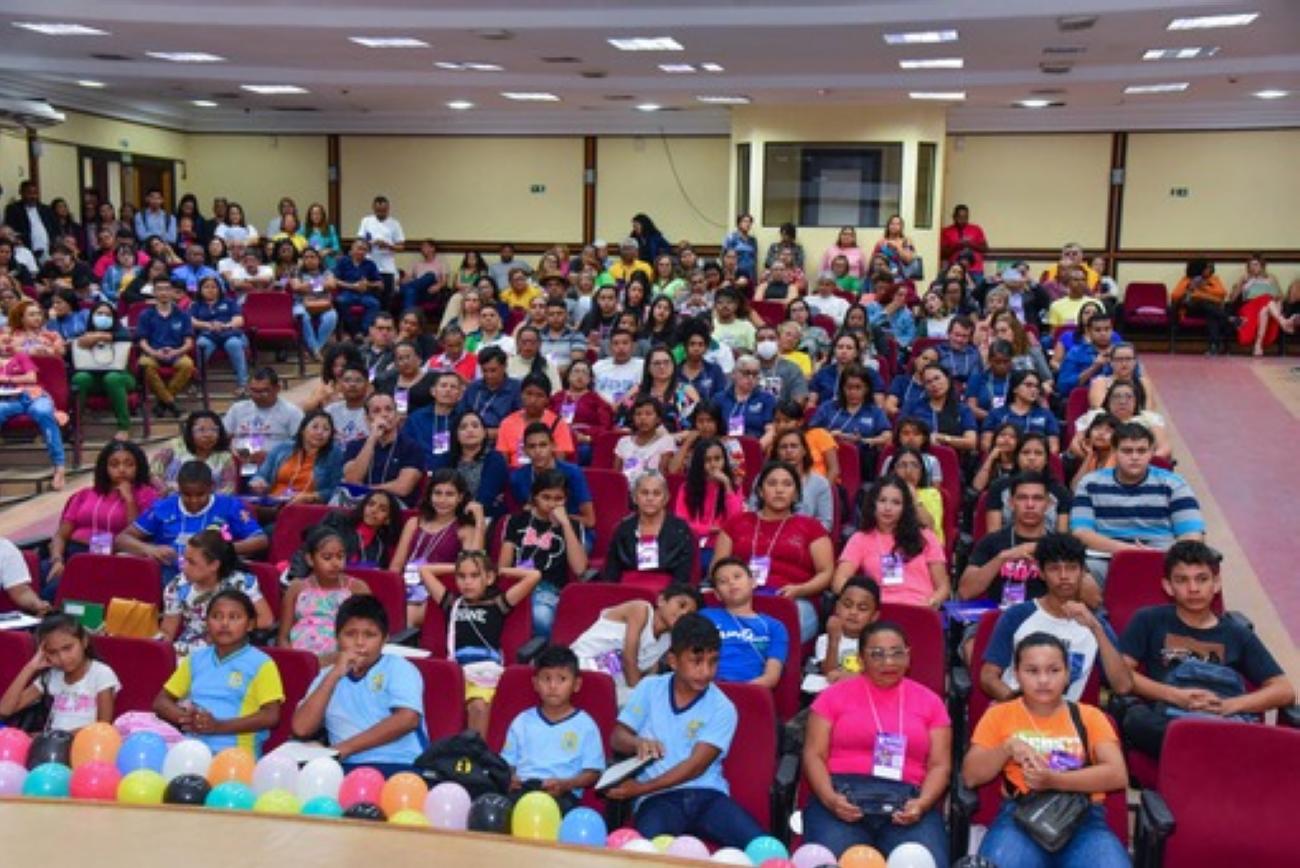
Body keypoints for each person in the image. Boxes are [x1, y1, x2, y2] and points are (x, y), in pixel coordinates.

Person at [964, 632, 1130, 867]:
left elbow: (1117, 774)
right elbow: (970, 776)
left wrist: (1053, 780)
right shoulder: (999, 715)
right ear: (1017, 674)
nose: (1043, 680)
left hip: (1083, 819)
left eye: (1054, 670)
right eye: (1032, 671)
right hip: (1019, 817)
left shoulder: (1090, 716)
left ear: (1067, 674)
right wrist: (1006, 748)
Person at [1119, 541, 1295, 758]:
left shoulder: (1237, 634)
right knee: (1136, 719)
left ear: (1216, 583)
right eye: (1182, 580)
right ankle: (1208, 750)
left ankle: (1207, 749)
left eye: (1202, 579)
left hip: (1222, 721)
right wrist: (1175, 696)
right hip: (1169, 721)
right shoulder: (1148, 620)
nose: (1193, 588)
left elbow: (1284, 690)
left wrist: (1229, 706)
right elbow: (1120, 676)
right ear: (1168, 586)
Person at [607, 614, 764, 846]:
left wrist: (640, 788)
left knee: (762, 846)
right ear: (673, 660)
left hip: (708, 795)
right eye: (696, 661)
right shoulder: (649, 688)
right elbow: (617, 737)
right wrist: (637, 743)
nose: (706, 671)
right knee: (646, 852)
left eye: (713, 661)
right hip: (657, 800)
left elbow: (695, 767)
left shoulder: (723, 707)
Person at [802, 620, 951, 864]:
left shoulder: (931, 702)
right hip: (842, 797)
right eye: (877, 654)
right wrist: (830, 799)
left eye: (897, 653)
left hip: (908, 801)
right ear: (861, 659)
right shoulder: (832, 696)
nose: (888, 662)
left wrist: (922, 804)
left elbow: (940, 765)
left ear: (908, 656)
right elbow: (813, 755)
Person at [980, 534, 1132, 703]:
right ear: (1041, 573)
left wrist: (1096, 628)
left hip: (1066, 715)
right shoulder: (1017, 615)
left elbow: (1123, 686)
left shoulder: (1096, 624)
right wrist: (1019, 704)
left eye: (1072, 568)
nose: (1064, 576)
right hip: (1018, 709)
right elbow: (988, 676)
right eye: (1054, 569)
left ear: (1083, 571)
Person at [292, 594, 428, 773]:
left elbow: (408, 719)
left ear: (385, 639)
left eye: (370, 635)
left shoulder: (398, 667)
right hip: (345, 769)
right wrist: (334, 675)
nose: (359, 643)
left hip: (400, 766)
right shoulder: (327, 676)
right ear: (337, 638)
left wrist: (344, 748)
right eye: (350, 634)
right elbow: (301, 729)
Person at [418, 551, 544, 736]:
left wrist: (497, 571)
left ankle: (475, 751)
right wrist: (461, 566)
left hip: (484, 671)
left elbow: (534, 575)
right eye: (461, 576)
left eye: (475, 575)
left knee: (478, 706)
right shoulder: (452, 603)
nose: (467, 582)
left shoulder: (498, 604)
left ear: (489, 578)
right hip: (455, 671)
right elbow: (425, 570)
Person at [153, 589, 283, 756]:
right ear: (206, 623)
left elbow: (271, 716)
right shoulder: (196, 659)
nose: (224, 624)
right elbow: (161, 701)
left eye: (234, 617)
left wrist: (218, 726)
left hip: (237, 754)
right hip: (193, 750)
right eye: (216, 617)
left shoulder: (262, 664)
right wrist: (188, 719)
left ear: (250, 624)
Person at [714, 462, 834, 642]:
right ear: (760, 491)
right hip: (739, 597)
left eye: (787, 484)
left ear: (796, 494)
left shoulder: (811, 527)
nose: (779, 490)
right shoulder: (736, 523)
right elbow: (717, 567)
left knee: (782, 630)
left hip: (793, 599)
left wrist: (800, 589)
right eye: (772, 484)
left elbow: (826, 572)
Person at [1071, 422, 1204, 582]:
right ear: (1114, 452)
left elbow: (1192, 535)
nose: (1134, 457)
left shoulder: (1174, 484)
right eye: (1127, 451)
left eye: (1141, 451)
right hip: (1104, 558)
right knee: (1079, 577)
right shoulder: (1089, 483)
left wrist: (1159, 555)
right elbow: (1081, 533)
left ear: (1151, 452)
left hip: (1162, 558)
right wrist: (1131, 552)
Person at [116, 461, 267, 581]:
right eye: (187, 495)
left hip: (214, 574)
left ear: (211, 487)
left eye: (200, 495)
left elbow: (261, 540)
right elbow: (122, 539)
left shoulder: (229, 506)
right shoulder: (163, 507)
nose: (194, 500)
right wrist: (150, 550)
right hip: (170, 572)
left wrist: (222, 549)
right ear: (179, 488)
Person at [501, 646, 605, 812]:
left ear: (576, 684)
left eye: (561, 679)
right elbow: (507, 763)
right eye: (546, 679)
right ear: (535, 683)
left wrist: (567, 784)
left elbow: (593, 772)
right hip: (524, 791)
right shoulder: (522, 721)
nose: (553, 686)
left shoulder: (586, 725)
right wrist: (510, 777)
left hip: (563, 794)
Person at [571, 584, 704, 704]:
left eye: (689, 614)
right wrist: (641, 698)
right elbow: (629, 659)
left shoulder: (668, 639)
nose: (683, 613)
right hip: (582, 665)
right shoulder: (641, 609)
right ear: (661, 600)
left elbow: (649, 670)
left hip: (613, 683)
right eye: (681, 605)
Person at [50, 440, 157, 589]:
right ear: (104, 468)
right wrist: (57, 561)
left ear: (138, 467)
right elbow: (61, 535)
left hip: (114, 559)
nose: (121, 469)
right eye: (114, 464)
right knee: (46, 582)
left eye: (129, 464)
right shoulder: (85, 494)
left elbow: (137, 535)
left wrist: (129, 500)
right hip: (73, 554)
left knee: (67, 588)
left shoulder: (146, 494)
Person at [390, 468, 486, 628]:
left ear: (460, 497)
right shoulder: (413, 523)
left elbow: (473, 565)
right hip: (406, 588)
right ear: (429, 495)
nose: (442, 500)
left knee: (407, 614)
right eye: (438, 493)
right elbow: (395, 567)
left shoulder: (464, 530)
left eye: (449, 494)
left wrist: (479, 521)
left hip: (439, 592)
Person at [835, 476, 947, 609]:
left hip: (921, 609)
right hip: (879, 611)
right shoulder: (860, 538)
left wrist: (933, 602)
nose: (888, 508)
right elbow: (839, 581)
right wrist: (861, 603)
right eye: (882, 500)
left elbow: (943, 586)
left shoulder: (926, 537)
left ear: (905, 508)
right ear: (873, 503)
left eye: (896, 503)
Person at [500, 469, 589, 638]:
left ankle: (541, 653)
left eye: (558, 499)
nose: (552, 504)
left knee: (540, 617)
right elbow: (503, 566)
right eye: (546, 497)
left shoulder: (573, 526)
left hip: (548, 589)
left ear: (566, 499)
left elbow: (579, 569)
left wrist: (565, 524)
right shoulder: (516, 521)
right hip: (515, 583)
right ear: (535, 497)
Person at [0, 613, 119, 732]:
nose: (62, 658)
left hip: (84, 742)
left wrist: (55, 737)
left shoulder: (101, 674)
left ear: (84, 641)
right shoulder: (51, 676)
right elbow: (4, 710)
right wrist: (31, 667)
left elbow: (103, 727)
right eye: (52, 652)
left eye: (67, 648)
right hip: (50, 741)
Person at [160, 529, 272, 655]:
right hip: (189, 648)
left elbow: (266, 620)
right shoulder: (177, 586)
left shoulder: (242, 583)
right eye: (184, 560)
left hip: (231, 646)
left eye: (191, 562)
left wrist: (226, 631)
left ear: (214, 565)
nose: (184, 567)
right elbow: (168, 631)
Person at [279, 526, 373, 658]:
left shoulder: (357, 588)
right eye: (327, 558)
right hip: (301, 659)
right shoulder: (296, 588)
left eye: (340, 556)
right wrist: (295, 661)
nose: (335, 563)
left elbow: (368, 633)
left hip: (342, 659)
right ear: (310, 559)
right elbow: (283, 638)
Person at [701, 557, 789, 690]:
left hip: (751, 692)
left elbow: (771, 677)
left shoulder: (774, 627)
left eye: (737, 576)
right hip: (708, 690)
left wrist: (741, 692)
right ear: (717, 594)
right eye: (723, 581)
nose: (731, 582)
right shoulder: (705, 618)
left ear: (753, 582)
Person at [603, 472, 696, 585]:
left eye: (656, 493)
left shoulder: (680, 530)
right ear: (634, 497)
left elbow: (682, 575)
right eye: (644, 493)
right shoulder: (622, 529)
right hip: (629, 590)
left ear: (666, 498)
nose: (650, 498)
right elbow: (611, 573)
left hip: (668, 592)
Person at [0, 336, 67, 490]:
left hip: (33, 396)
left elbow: (32, 377)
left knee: (43, 412)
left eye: (8, 342)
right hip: (8, 400)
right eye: (2, 341)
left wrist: (5, 379)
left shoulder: (20, 357)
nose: (5, 345)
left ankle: (59, 467)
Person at [339, 392, 426, 506]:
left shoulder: (412, 447)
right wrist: (372, 439)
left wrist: (366, 489)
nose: (384, 415)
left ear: (397, 415)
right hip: (358, 504)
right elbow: (352, 480)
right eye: (376, 411)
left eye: (389, 409)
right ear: (367, 419)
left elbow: (403, 487)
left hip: (394, 505)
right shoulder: (354, 446)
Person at [224, 367, 304, 481]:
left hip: (276, 467)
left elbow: (301, 445)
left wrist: (271, 455)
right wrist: (234, 452)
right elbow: (223, 437)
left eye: (264, 391)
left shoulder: (292, 412)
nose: (257, 395)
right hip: (240, 464)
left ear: (277, 388)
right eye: (253, 391)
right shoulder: (237, 409)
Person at [248, 410, 344, 506]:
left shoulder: (334, 454)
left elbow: (336, 490)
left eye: (326, 429)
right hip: (273, 502)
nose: (320, 432)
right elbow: (261, 475)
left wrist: (311, 497)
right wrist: (258, 482)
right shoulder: (282, 448)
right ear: (302, 430)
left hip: (305, 507)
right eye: (315, 427)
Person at [673, 436, 745, 562]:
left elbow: (736, 520)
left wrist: (727, 485)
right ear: (699, 463)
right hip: (692, 544)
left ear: (724, 460)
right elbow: (682, 523)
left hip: (722, 546)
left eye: (717, 459)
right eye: (707, 460)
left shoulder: (734, 487)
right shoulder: (686, 488)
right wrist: (708, 529)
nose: (713, 464)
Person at [133, 280, 194, 416]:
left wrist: (176, 352)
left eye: (167, 289)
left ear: (173, 292)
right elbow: (142, 341)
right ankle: (171, 403)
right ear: (154, 292)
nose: (164, 293)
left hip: (176, 353)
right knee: (144, 364)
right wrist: (154, 353)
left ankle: (163, 403)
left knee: (187, 364)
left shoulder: (183, 315)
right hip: (152, 353)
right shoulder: (145, 315)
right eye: (160, 289)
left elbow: (189, 342)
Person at [431, 410, 508, 517]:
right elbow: (437, 491)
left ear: (484, 432)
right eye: (463, 427)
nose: (470, 430)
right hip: (446, 513)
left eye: (475, 426)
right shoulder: (445, 459)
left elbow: (486, 498)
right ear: (456, 435)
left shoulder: (495, 459)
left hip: (483, 515)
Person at [810, 577, 880, 687]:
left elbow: (877, 675)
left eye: (862, 608)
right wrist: (833, 641)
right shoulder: (825, 639)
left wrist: (850, 677)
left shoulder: (877, 643)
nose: (853, 612)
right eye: (847, 605)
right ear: (837, 607)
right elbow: (828, 673)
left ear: (874, 616)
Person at [762, 428, 835, 532]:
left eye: (794, 446)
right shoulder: (763, 479)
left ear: (804, 451)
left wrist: (802, 535)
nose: (789, 451)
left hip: (805, 537)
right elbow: (753, 513)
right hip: (767, 534)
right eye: (783, 447)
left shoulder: (820, 483)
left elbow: (826, 523)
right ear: (776, 452)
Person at [496, 374, 576, 470]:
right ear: (521, 395)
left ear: (547, 399)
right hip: (515, 475)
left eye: (539, 395)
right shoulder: (507, 423)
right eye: (528, 394)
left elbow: (559, 464)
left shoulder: (559, 424)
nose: (533, 400)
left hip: (546, 475)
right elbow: (502, 463)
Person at [982, 370, 1061, 453]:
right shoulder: (996, 413)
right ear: (1015, 388)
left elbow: (1054, 447)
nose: (1034, 390)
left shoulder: (1046, 415)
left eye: (1037, 387)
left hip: (1033, 458)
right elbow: (986, 444)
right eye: (1028, 385)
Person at [456, 346, 521, 438]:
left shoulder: (516, 388)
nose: (489, 375)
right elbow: (460, 416)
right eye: (484, 371)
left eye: (493, 370)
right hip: (471, 437)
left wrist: (488, 433)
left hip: (502, 439)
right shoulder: (474, 388)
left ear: (504, 366)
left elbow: (520, 424)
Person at [913, 364, 978, 455]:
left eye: (937, 378)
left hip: (953, 458)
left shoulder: (963, 409)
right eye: (928, 382)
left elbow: (971, 442)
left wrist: (942, 438)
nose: (934, 384)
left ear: (947, 379)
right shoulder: (914, 407)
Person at [1172, 259, 1231, 356]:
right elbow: (1175, 295)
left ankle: (1214, 346)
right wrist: (1188, 288)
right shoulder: (1187, 279)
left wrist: (1204, 288)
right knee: (1203, 303)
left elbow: (1222, 293)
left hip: (1209, 309)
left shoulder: (1214, 279)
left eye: (1210, 268)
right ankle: (1228, 318)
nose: (1209, 270)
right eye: (1207, 268)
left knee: (1210, 312)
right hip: (1191, 310)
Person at [613, 397, 677, 487]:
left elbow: (662, 475)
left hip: (652, 491)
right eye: (638, 414)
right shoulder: (623, 442)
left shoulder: (666, 441)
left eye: (648, 414)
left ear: (658, 419)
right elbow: (616, 476)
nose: (643, 418)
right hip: (625, 491)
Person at [1056, 312, 1122, 397]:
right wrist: (1093, 368)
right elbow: (1063, 387)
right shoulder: (1076, 353)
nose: (1103, 333)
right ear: (1089, 332)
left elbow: (1136, 380)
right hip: (1086, 398)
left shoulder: (1123, 352)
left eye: (1107, 329)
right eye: (1097, 330)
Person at [356, 195, 404, 305]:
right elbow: (359, 243)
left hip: (387, 268)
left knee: (386, 300)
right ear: (373, 208)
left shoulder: (394, 224)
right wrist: (370, 244)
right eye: (378, 210)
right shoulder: (366, 221)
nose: (381, 213)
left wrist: (388, 245)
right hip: (369, 265)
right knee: (369, 299)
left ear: (388, 209)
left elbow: (401, 247)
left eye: (384, 210)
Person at [715, 355, 776, 441]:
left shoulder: (767, 399)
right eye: (746, 373)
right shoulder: (719, 398)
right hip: (725, 445)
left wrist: (756, 447)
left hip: (757, 444)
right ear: (734, 374)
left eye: (755, 374)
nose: (751, 378)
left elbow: (770, 431)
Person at [372, 341, 438, 417]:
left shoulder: (434, 379)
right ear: (395, 363)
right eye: (400, 358)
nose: (405, 362)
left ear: (419, 359)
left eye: (408, 357)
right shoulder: (387, 381)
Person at [333, 238, 384, 335]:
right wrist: (352, 286)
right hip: (347, 293)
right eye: (359, 248)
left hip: (364, 294)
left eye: (364, 249)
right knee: (341, 301)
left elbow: (380, 284)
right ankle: (354, 331)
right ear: (352, 249)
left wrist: (368, 284)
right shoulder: (343, 262)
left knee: (375, 304)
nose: (361, 252)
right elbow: (335, 280)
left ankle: (363, 332)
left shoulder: (370, 264)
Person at [3, 181, 57, 259]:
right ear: (21, 193)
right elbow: (11, 230)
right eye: (29, 193)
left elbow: (54, 228)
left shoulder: (45, 209)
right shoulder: (14, 209)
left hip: (49, 251)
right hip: (26, 250)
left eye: (35, 193)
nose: (33, 196)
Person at [590, 329, 644, 407]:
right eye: (616, 343)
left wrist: (620, 404)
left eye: (625, 343)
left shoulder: (642, 365)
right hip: (599, 408)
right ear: (610, 347)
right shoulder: (598, 366)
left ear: (633, 346)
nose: (621, 347)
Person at [939, 204, 988, 272]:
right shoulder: (946, 231)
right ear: (954, 217)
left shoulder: (976, 229)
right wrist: (956, 246)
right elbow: (942, 254)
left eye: (965, 217)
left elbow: (985, 248)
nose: (963, 220)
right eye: (960, 217)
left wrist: (970, 244)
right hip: (955, 270)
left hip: (975, 269)